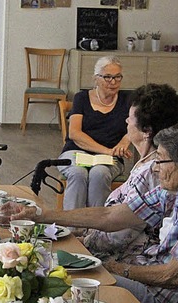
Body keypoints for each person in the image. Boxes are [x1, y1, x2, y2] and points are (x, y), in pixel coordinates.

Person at [14, 122, 178, 303]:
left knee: (70, 283)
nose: (155, 168)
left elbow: (172, 276)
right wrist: (41, 215)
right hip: (154, 286)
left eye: (160, 160)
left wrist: (115, 269)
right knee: (62, 272)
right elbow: (110, 216)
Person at [82, 83, 178, 263]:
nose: (126, 122)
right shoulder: (147, 162)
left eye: (130, 118)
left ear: (147, 131)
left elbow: (119, 233)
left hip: (133, 261)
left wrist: (84, 241)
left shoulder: (153, 170)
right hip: (115, 249)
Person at [58, 56, 132, 210]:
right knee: (78, 173)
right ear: (96, 79)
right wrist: (107, 151)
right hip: (76, 152)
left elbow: (136, 127)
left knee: (99, 173)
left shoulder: (127, 100)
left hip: (110, 159)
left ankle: (97, 229)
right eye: (107, 77)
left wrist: (124, 142)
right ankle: (73, 226)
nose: (113, 82)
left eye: (117, 77)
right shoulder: (82, 98)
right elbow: (74, 134)